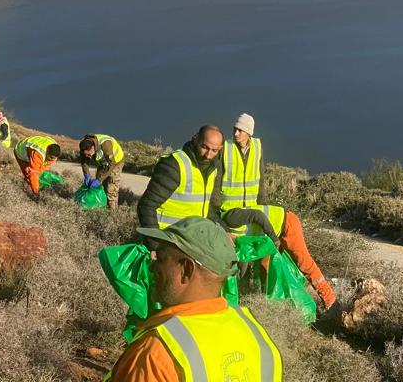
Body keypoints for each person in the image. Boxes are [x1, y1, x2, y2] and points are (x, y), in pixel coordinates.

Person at [106, 217, 283, 382]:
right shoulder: (257, 340)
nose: (151, 267)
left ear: (186, 270)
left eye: (160, 259)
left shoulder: (156, 353)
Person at [221, 113, 337, 309]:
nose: (235, 132)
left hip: (285, 224)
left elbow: (259, 208)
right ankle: (270, 303)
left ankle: (329, 300)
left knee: (304, 263)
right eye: (235, 128)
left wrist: (273, 238)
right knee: (265, 267)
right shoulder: (227, 149)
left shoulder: (234, 217)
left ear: (249, 132)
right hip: (267, 229)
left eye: (240, 129)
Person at [137, 125, 225, 230]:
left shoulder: (213, 169)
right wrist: (155, 242)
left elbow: (209, 211)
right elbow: (146, 206)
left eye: (214, 150)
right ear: (196, 139)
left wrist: (224, 232)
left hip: (192, 240)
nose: (208, 155)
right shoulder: (174, 164)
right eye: (204, 147)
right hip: (167, 239)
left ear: (220, 149)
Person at [79, 133, 125, 208]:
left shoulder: (106, 144)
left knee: (111, 188)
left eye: (90, 154)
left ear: (93, 147)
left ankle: (112, 211)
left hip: (116, 162)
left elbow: (111, 164)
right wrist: (86, 175)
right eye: (86, 155)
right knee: (100, 186)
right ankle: (100, 206)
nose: (89, 156)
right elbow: (84, 161)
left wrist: (99, 179)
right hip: (102, 162)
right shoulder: (84, 146)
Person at [15, 134, 61, 200]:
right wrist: (36, 193)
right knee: (28, 174)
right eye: (50, 157)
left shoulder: (55, 150)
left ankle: (35, 187)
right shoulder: (38, 154)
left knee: (36, 172)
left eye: (54, 158)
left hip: (34, 147)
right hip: (21, 151)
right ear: (47, 152)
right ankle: (27, 192)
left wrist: (38, 171)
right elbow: (33, 174)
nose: (52, 160)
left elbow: (45, 166)